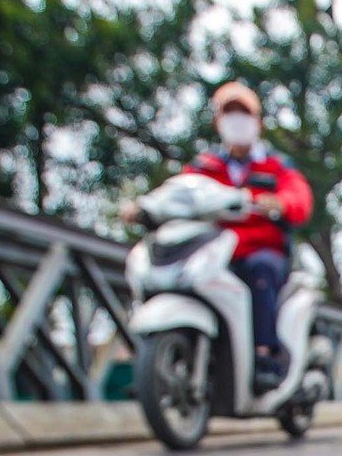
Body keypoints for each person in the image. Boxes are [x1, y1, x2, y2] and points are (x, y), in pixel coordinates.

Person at [134, 81, 314, 385]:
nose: (237, 120)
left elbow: (300, 199)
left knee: (261, 272)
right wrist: (142, 207)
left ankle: (263, 355)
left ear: (257, 122)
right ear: (218, 121)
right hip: (214, 250)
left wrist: (280, 203)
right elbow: (176, 193)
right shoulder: (205, 167)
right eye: (229, 113)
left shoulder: (275, 165)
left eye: (243, 113)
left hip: (259, 250)